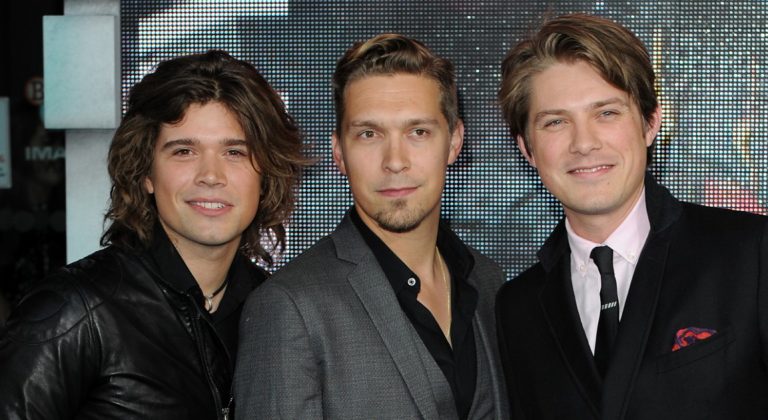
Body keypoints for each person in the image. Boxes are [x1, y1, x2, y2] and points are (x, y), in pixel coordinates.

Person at [0, 50, 306, 419]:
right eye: (184, 151)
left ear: (266, 176)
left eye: (235, 152)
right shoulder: (73, 314)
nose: (211, 175)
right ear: (146, 172)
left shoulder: (277, 311)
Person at [495, 13, 768, 419]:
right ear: (527, 149)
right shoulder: (517, 308)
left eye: (606, 113)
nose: (584, 143)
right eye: (555, 122)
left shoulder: (751, 253)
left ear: (650, 123)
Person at [235, 34, 509, 419]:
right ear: (339, 153)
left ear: (453, 142)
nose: (394, 161)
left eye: (418, 132)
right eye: (369, 134)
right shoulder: (288, 307)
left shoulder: (489, 282)